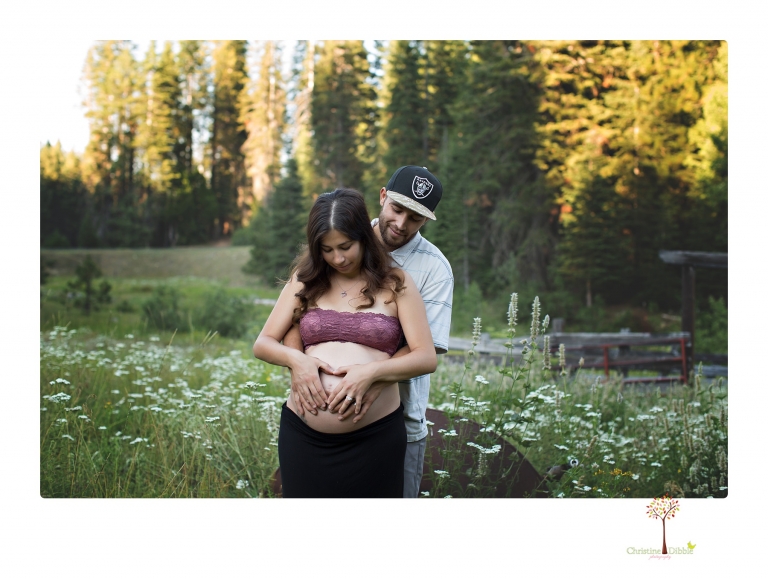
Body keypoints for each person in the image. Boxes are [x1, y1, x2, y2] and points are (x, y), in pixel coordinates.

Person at [252, 188, 437, 498]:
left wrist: (372, 373)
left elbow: (426, 357)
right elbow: (263, 343)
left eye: (345, 246)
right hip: (303, 437)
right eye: (326, 249)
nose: (337, 258)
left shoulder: (396, 282)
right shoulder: (306, 279)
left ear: (363, 236)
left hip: (374, 439)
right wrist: (298, 361)